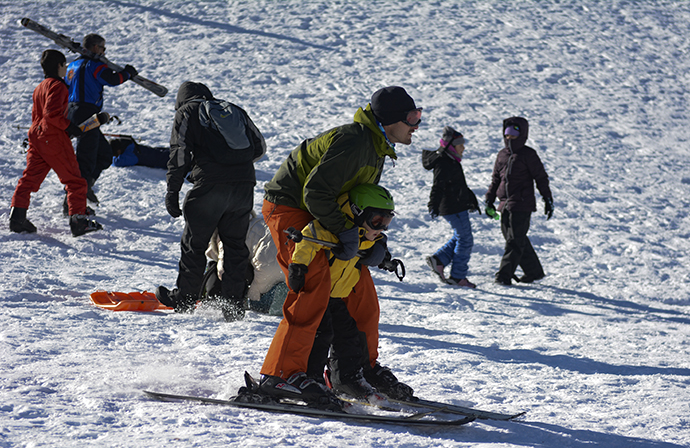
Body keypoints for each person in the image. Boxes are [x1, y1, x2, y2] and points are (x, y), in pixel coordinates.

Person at [258, 86, 420, 407]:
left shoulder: (375, 147)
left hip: (325, 215)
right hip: (292, 208)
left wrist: (374, 242)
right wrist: (347, 231)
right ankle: (282, 374)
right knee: (314, 286)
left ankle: (356, 369)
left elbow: (357, 204)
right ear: (389, 120)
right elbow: (316, 192)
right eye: (413, 117)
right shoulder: (356, 141)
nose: (417, 125)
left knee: (360, 292)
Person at [155, 81, 266, 322]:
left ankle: (184, 300)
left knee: (194, 244)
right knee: (235, 246)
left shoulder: (187, 112)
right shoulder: (233, 110)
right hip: (243, 187)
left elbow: (179, 153)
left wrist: (172, 192)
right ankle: (233, 305)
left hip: (209, 187)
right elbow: (259, 147)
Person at [286, 184, 394, 401]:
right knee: (321, 335)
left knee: (349, 336)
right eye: (377, 221)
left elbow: (374, 249)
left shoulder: (366, 239)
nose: (380, 228)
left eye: (386, 222)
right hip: (318, 297)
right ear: (356, 211)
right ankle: (312, 378)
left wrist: (383, 258)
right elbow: (309, 237)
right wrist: (298, 266)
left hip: (335, 299)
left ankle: (347, 378)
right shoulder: (336, 232)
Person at [9, 49, 102, 237]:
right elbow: (52, 115)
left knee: (29, 178)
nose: (66, 68)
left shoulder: (40, 86)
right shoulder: (58, 86)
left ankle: (17, 217)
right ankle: (79, 221)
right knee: (75, 180)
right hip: (53, 137)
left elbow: (42, 115)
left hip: (37, 137)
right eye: (65, 65)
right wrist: (70, 127)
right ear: (59, 66)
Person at [64, 33, 138, 206]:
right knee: (86, 157)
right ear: (96, 48)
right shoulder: (94, 65)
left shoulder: (71, 66)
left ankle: (86, 186)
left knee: (104, 154)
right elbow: (112, 79)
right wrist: (128, 73)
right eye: (103, 48)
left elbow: (66, 87)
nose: (104, 52)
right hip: (87, 113)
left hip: (74, 112)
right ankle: (72, 203)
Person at [485, 116, 554, 286]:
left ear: (522, 134)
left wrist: (547, 198)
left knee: (514, 240)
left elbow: (541, 177)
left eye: (513, 133)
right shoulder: (502, 155)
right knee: (515, 237)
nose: (509, 137)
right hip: (505, 203)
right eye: (507, 133)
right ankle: (534, 271)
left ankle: (504, 275)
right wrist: (489, 199)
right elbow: (496, 179)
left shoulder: (528, 155)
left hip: (522, 203)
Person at [423, 126, 481, 288]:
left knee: (460, 236)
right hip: (452, 207)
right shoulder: (444, 163)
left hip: (458, 205)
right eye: (460, 145)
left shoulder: (452, 161)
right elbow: (438, 186)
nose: (463, 148)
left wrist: (471, 200)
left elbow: (459, 185)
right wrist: (433, 204)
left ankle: (439, 259)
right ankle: (457, 276)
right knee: (465, 239)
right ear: (451, 146)